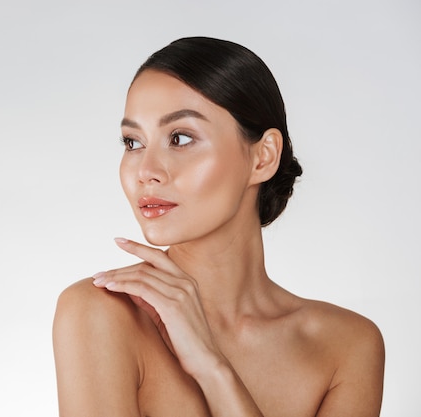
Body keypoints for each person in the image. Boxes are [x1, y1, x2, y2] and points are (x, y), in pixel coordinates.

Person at [52, 37, 385, 416]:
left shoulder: (347, 346)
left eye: (180, 138)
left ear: (263, 158)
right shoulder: (100, 312)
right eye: (132, 142)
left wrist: (213, 368)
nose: (145, 171)